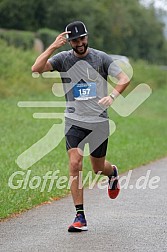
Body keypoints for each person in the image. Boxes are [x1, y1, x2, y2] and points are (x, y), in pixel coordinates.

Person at [32, 21, 130, 232]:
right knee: (75, 163)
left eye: (82, 38)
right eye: (75, 40)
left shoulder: (101, 58)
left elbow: (124, 78)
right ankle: (80, 216)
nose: (80, 43)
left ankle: (111, 172)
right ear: (69, 42)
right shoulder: (62, 59)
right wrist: (53, 47)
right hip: (74, 121)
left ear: (87, 37)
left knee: (97, 168)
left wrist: (112, 96)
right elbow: (36, 68)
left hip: (98, 122)